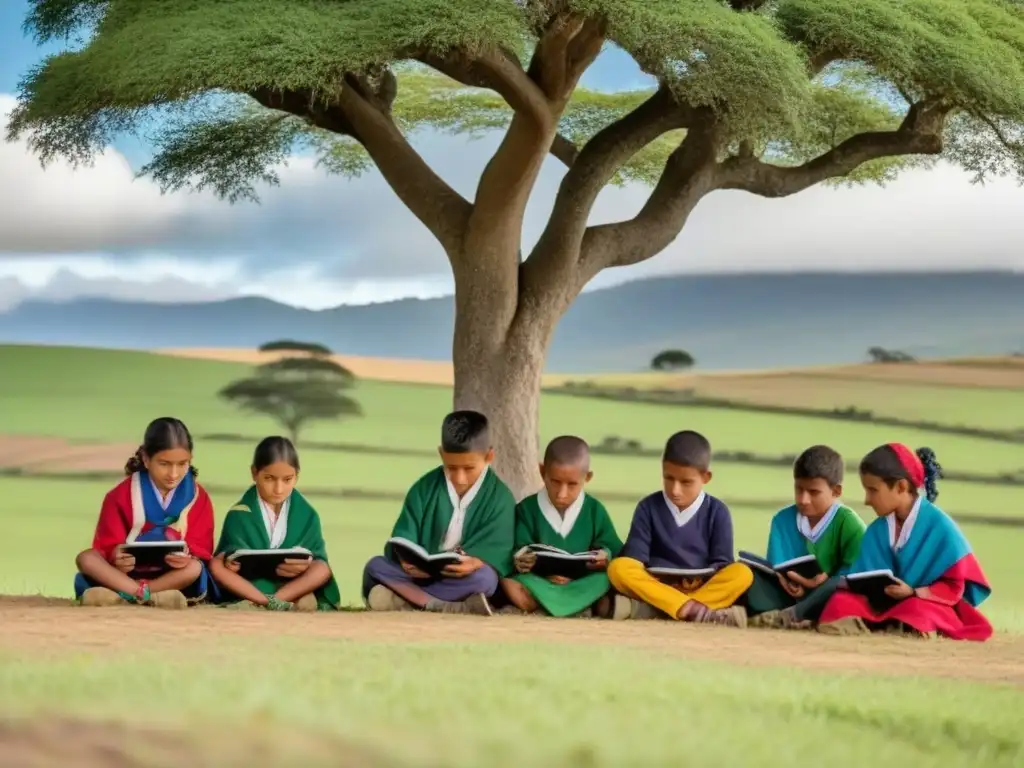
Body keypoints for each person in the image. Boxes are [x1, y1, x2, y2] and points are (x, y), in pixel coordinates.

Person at [818, 444, 993, 641]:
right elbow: (862, 575)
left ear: (901, 487)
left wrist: (913, 592)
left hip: (922, 601)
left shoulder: (941, 527)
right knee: (841, 602)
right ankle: (884, 623)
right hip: (882, 602)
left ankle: (889, 624)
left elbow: (953, 584)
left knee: (917, 611)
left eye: (873, 490)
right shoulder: (878, 529)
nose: (867, 500)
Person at [362, 410, 516, 616]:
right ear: (441, 454)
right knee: (375, 565)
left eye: (469, 468)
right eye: (452, 467)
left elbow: (499, 548)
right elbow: (403, 537)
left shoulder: (500, 497)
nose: (460, 478)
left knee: (486, 579)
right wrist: (407, 562)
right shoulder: (424, 488)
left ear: (489, 456)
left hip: (462, 577)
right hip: (420, 575)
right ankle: (446, 604)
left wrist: (477, 561)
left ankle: (409, 599)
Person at [607, 430, 752, 627]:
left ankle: (664, 610)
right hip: (657, 586)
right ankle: (691, 610)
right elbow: (634, 560)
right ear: (662, 470)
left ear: (706, 477)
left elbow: (722, 565)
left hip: (699, 588)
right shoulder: (648, 507)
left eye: (686, 482)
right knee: (619, 568)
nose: (675, 490)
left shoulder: (717, 511)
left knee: (742, 573)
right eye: (669, 478)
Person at [73, 417, 215, 609]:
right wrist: (117, 556)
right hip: (125, 574)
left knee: (194, 568)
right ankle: (147, 595)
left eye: (182, 464)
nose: (173, 474)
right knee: (87, 558)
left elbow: (203, 548)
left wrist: (187, 555)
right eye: (164, 464)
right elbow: (106, 545)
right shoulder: (119, 495)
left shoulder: (199, 496)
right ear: (146, 459)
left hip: (172, 575)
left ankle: (129, 595)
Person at [210, 436, 340, 611]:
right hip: (252, 583)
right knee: (216, 564)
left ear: (297, 476)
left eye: (287, 480)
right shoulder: (239, 514)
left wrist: (304, 566)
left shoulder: (308, 514)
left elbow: (318, 558)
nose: (279, 489)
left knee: (322, 568)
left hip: (294, 581)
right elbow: (229, 555)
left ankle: (276, 599)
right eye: (269, 478)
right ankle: (266, 601)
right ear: (254, 473)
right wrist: (231, 564)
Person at [745, 445, 866, 630]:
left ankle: (791, 615)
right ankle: (797, 613)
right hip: (788, 593)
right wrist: (789, 581)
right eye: (799, 489)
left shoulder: (850, 524)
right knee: (746, 573)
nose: (803, 499)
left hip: (828, 594)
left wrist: (822, 580)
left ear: (836, 491)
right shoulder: (782, 520)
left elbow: (856, 573)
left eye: (813, 492)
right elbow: (776, 566)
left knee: (839, 584)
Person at [501, 436, 623, 618]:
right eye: (555, 482)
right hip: (540, 582)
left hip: (581, 582)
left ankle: (544, 606)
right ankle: (583, 607)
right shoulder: (527, 509)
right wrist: (524, 560)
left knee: (604, 579)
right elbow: (517, 550)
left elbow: (613, 548)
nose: (562, 493)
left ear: (587, 477)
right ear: (543, 472)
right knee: (509, 582)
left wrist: (605, 556)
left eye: (572, 485)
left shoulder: (594, 510)